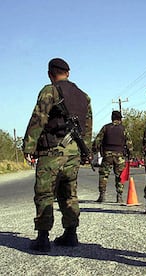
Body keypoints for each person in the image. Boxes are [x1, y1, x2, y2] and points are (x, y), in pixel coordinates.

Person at [23, 58, 92, 252]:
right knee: (69, 193)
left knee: (45, 193)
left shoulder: (50, 90)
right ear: (68, 73)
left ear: (49, 74)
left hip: (51, 151)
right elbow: (88, 126)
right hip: (74, 153)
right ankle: (71, 234)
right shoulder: (84, 96)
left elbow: (38, 119)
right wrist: (86, 150)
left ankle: (43, 239)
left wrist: (29, 147)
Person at [92, 110, 133, 203]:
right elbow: (129, 143)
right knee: (119, 176)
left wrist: (94, 151)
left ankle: (102, 196)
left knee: (104, 175)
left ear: (112, 118)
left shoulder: (106, 128)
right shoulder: (123, 129)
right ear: (120, 119)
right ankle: (119, 196)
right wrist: (131, 155)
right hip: (120, 156)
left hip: (107, 155)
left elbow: (97, 141)